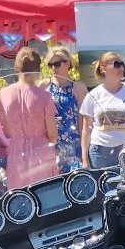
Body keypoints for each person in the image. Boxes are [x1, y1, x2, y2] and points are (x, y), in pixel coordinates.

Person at [0, 48, 59, 188]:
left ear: (17, 67)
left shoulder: (3, 94)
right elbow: (52, 134)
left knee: (19, 198)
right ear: (38, 69)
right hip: (41, 153)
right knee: (45, 196)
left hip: (17, 153)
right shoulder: (44, 96)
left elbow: (6, 132)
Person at [80, 51, 125, 169]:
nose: (120, 67)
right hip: (99, 154)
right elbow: (86, 130)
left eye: (121, 64)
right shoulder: (93, 95)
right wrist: (85, 160)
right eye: (116, 64)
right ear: (103, 69)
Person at [43, 46, 86, 174]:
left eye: (56, 64)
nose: (53, 68)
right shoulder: (44, 86)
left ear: (67, 63)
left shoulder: (78, 87)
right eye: (50, 65)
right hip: (50, 142)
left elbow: (82, 120)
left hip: (73, 142)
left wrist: (84, 150)